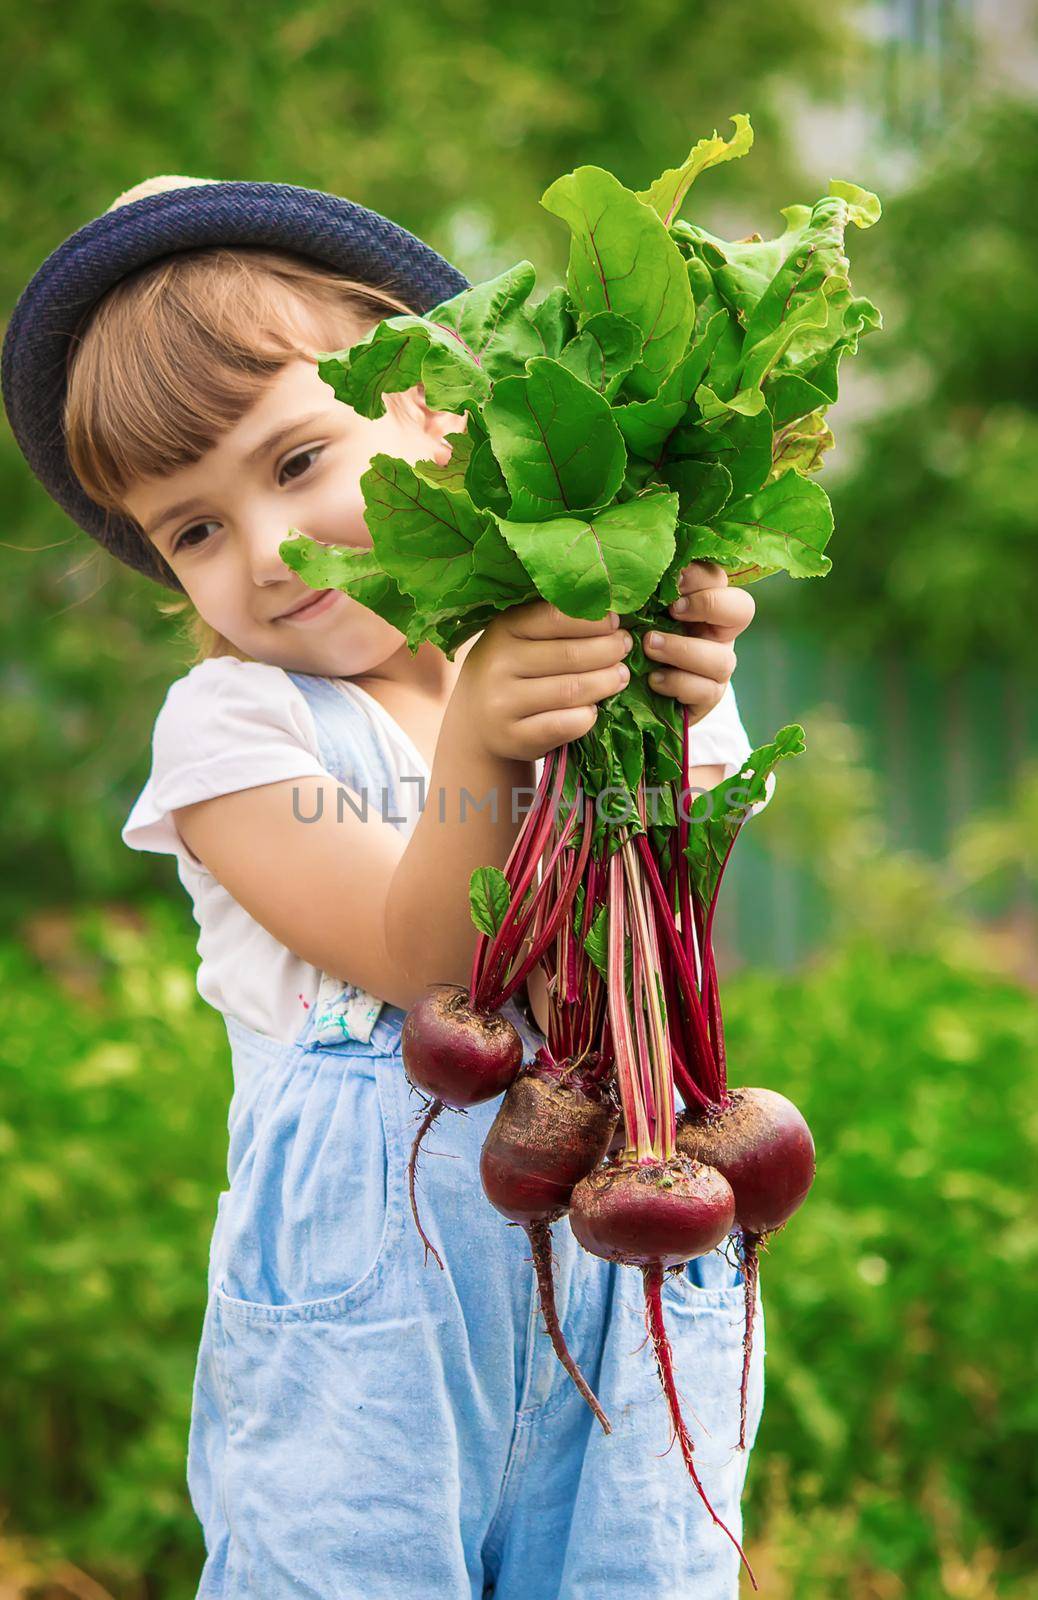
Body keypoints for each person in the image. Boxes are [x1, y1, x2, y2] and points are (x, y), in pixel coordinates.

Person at [3, 174, 768, 1598]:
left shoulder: (565, 655)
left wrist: (678, 674)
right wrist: (483, 732)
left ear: (436, 406)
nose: (266, 554)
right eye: (192, 531)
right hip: (376, 1366)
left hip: (627, 1271)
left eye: (295, 466)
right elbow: (428, 962)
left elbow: (654, 937)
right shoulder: (237, 731)